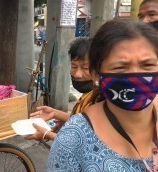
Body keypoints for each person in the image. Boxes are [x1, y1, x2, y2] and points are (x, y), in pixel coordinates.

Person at [48, 20, 158, 171]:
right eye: (120, 67)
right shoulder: (73, 138)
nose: (136, 75)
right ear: (96, 75)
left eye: (147, 65)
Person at [26, 38, 97, 141]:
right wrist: (55, 113)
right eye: (74, 66)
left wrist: (47, 134)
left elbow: (82, 142)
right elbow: (80, 120)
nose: (77, 74)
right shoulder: (87, 94)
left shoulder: (98, 100)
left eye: (85, 68)